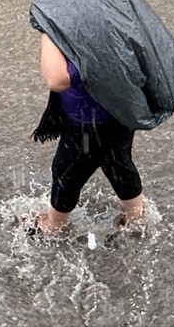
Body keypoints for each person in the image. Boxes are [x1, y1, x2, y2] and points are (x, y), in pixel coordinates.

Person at [31, 32, 145, 236]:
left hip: (89, 119)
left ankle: (54, 226)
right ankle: (136, 216)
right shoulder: (113, 15)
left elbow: (57, 80)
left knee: (66, 171)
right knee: (117, 161)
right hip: (121, 110)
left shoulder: (81, 30)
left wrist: (47, 32)